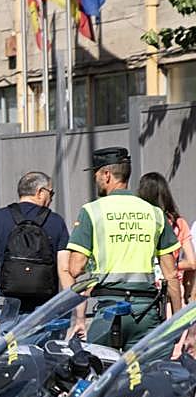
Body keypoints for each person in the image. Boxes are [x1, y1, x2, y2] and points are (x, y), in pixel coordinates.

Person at [66, 146, 183, 347]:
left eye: (96, 174)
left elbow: (75, 268)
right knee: (146, 375)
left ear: (107, 175)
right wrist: (177, 320)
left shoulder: (92, 212)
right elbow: (171, 274)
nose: (95, 179)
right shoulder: (154, 213)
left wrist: (97, 261)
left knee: (100, 371)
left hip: (110, 311)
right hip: (146, 313)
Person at [0, 171, 70, 312]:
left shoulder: (0, 217)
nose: (51, 199)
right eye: (51, 193)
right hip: (44, 305)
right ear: (41, 192)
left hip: (10, 302)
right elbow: (64, 268)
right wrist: (71, 306)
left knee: (9, 333)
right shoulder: (56, 221)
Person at [139, 171, 196, 304]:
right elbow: (192, 262)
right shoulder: (178, 223)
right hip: (172, 287)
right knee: (172, 322)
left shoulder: (140, 223)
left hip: (144, 286)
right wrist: (171, 266)